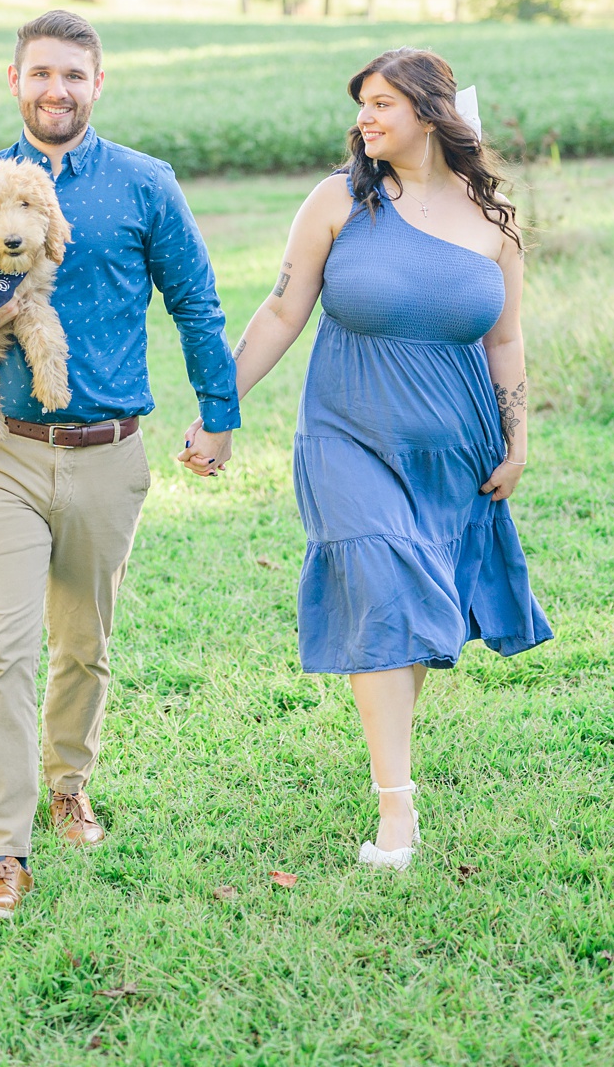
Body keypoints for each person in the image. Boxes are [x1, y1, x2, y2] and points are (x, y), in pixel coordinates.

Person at [0, 9, 236, 925]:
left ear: (96, 83)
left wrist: (221, 413)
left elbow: (196, 301)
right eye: (40, 73)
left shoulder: (143, 185)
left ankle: (69, 784)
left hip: (107, 454)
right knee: (0, 651)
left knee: (84, 644)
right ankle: (3, 853)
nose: (57, 90)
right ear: (15, 81)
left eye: (73, 76)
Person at [193, 47, 547, 870]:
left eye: (383, 103)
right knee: (383, 582)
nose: (365, 118)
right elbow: (282, 312)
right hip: (346, 436)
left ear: (431, 112)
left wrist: (518, 437)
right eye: (362, 103)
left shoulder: (493, 220)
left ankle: (395, 774)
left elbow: (506, 336)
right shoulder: (338, 202)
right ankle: (398, 811)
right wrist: (220, 412)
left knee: (408, 614)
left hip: (453, 446)